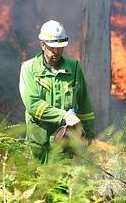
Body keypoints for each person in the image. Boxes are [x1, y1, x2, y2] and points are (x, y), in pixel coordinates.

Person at [19, 20, 95, 163]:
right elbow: (33, 104)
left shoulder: (74, 67)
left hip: (63, 143)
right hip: (38, 144)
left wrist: (89, 133)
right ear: (42, 44)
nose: (57, 52)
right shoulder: (29, 69)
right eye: (52, 47)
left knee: (60, 184)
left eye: (60, 48)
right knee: (38, 183)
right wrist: (63, 115)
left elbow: (84, 104)